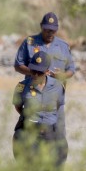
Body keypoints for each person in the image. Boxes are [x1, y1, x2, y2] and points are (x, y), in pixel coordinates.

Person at [13, 12, 75, 160]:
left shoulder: (63, 46)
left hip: (54, 96)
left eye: (53, 30)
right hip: (33, 94)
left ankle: (55, 170)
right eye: (47, 29)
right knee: (28, 135)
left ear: (57, 29)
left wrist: (62, 76)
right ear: (41, 27)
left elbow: (71, 70)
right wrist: (36, 72)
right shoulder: (29, 42)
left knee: (58, 135)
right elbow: (18, 65)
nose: (50, 33)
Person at [12, 50, 67, 165]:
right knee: (30, 170)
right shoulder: (22, 87)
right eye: (33, 71)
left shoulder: (57, 86)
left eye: (39, 72)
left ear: (47, 71)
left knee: (52, 169)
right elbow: (18, 107)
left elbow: (59, 108)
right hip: (30, 133)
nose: (35, 75)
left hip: (50, 132)